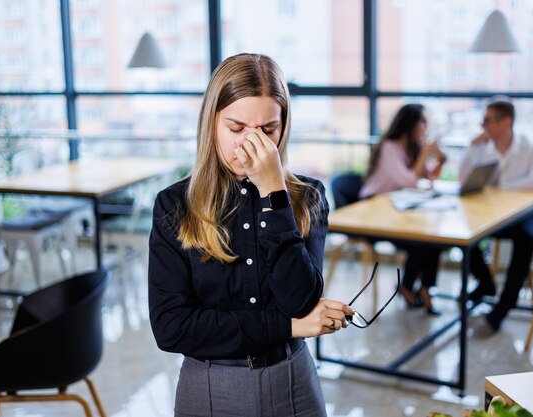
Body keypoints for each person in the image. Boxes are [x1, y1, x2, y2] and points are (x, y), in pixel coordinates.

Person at [148, 53, 354, 417]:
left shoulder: (308, 198)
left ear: (283, 126)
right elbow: (172, 328)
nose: (251, 145)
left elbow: (301, 301)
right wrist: (289, 327)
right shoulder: (174, 205)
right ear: (212, 122)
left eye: (267, 130)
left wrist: (273, 191)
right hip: (211, 384)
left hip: (293, 381)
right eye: (237, 128)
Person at [459, 99, 533, 334]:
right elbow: (463, 180)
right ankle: (486, 283)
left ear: (506, 121)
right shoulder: (483, 147)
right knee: (465, 230)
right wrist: (471, 146)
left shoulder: (532, 145)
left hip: (527, 212)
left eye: (488, 120)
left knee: (526, 239)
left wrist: (499, 187)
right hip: (495, 213)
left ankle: (504, 306)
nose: (483, 125)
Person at [359, 104, 447, 315]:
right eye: (422, 123)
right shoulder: (390, 147)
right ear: (411, 124)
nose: (425, 128)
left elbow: (428, 177)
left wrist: (440, 159)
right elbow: (409, 181)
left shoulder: (412, 147)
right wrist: (425, 152)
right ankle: (408, 287)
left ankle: (424, 288)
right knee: (422, 240)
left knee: (433, 238)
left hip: (398, 209)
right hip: (374, 211)